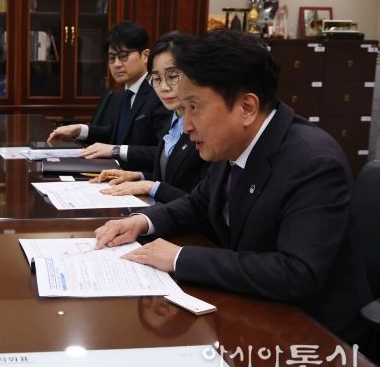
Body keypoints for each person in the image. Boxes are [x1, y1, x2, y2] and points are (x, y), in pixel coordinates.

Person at [93, 29, 371, 344]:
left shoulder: (313, 162)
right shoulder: (232, 142)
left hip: (313, 335)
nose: (186, 125)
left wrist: (180, 258)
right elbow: (198, 203)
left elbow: (296, 273)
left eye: (194, 107)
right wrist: (142, 222)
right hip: (252, 310)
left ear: (247, 107)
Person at [90, 32, 209, 203]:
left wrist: (150, 186)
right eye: (156, 79)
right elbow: (170, 178)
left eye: (172, 77)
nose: (164, 87)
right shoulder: (174, 120)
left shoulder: (207, 128)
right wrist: (138, 176)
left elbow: (202, 201)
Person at [46, 21, 170, 171]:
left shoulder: (160, 93)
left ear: (145, 56)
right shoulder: (124, 93)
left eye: (123, 56)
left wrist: (115, 150)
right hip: (115, 174)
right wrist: (79, 130)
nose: (116, 64)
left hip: (140, 178)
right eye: (111, 58)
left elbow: (165, 153)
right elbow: (116, 135)